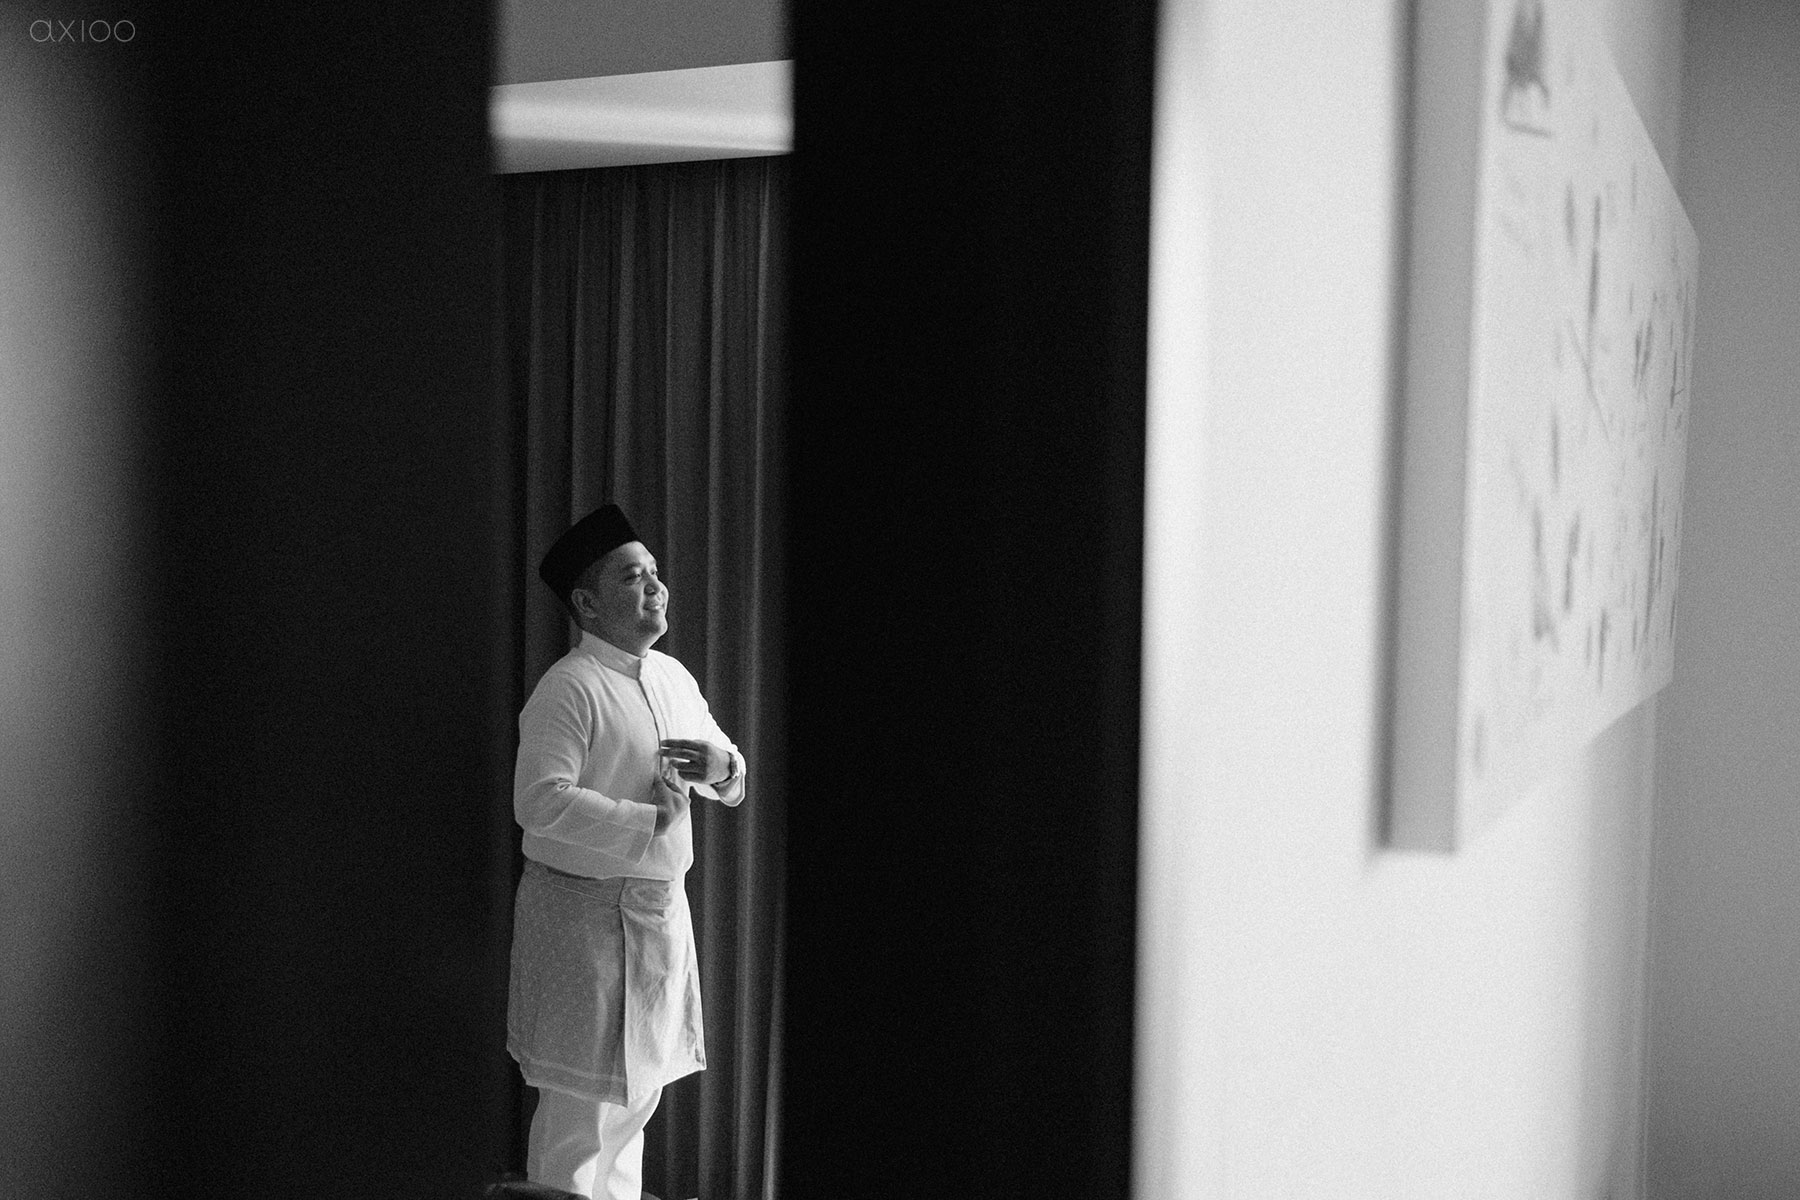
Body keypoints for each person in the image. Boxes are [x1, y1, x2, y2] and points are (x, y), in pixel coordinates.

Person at [506, 503, 745, 1200]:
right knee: (580, 1118)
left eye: (655, 573)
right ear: (586, 603)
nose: (656, 587)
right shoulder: (568, 687)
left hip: (658, 918)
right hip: (582, 922)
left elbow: (725, 763)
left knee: (636, 1104)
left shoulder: (671, 676)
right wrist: (649, 819)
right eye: (632, 577)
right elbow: (539, 801)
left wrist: (723, 768)